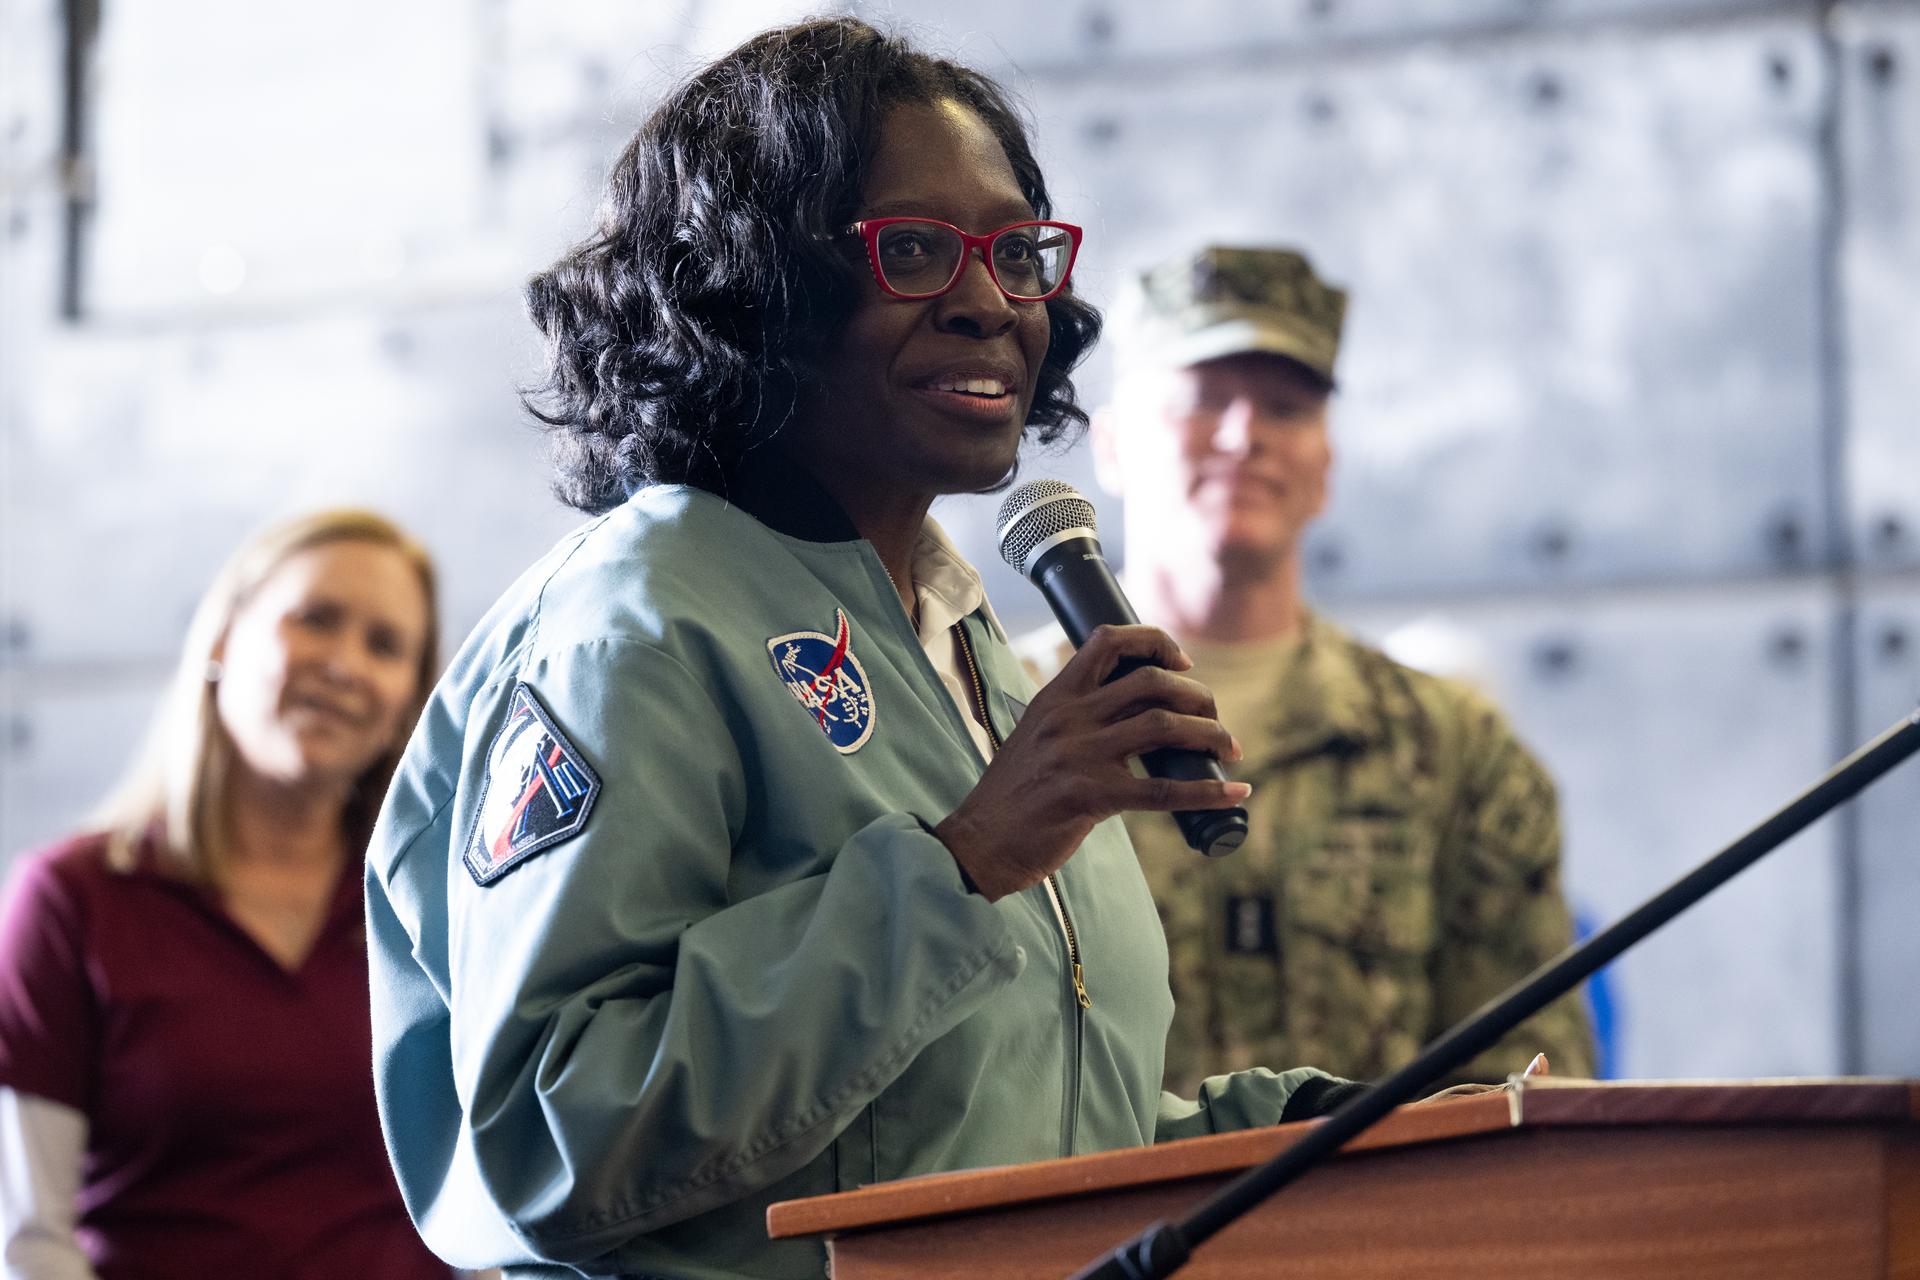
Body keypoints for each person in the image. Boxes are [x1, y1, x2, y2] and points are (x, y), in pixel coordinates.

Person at [359, 21, 1424, 1280]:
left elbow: (994, 1133)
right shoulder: (637, 622)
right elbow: (545, 1137)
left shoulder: (961, 635)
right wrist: (965, 863)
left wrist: (1318, 1135)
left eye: (1015, 253)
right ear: (758, 287)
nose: (989, 303)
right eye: (913, 251)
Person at [1021, 245, 1595, 1092]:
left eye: (1284, 408)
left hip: (1372, 1220)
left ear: (1324, 463)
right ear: (1111, 445)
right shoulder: (1001, 710)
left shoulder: (1453, 754)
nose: (1244, 434)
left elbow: (1529, 1083)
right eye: (1202, 399)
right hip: (1094, 1222)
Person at [0, 509, 451, 1280]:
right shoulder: (71, 902)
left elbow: (477, 1208)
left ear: (408, 700)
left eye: (384, 646)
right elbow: (31, 1242)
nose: (345, 665)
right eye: (316, 619)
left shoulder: (429, 911)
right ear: (220, 639)